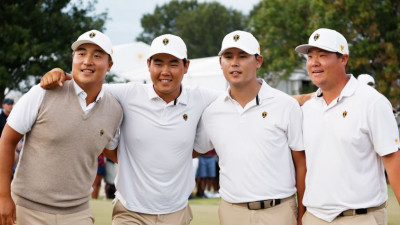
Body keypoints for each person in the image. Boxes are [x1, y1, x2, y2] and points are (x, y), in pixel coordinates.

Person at [41, 34, 221, 225]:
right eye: (158, 63)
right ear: (149, 64)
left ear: (186, 67)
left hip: (176, 212)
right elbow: (85, 86)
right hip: (130, 212)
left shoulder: (201, 97)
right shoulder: (127, 93)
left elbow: (237, 97)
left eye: (173, 64)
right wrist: (59, 73)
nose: (165, 71)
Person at [0, 30, 123, 225]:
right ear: (73, 58)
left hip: (78, 214)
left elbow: (114, 153)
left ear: (109, 65)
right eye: (81, 53)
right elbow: (7, 141)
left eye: (97, 55)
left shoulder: (115, 110)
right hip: (26, 209)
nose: (87, 61)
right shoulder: (42, 92)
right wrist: (3, 197)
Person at [199, 30, 306, 225]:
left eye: (242, 56)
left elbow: (301, 164)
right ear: (220, 62)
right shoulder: (211, 113)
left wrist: (302, 215)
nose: (234, 63)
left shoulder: (285, 105)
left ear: (258, 61)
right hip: (232, 213)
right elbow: (189, 150)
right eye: (228, 56)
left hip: (279, 211)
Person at [295, 28, 400, 225]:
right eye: (310, 57)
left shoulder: (372, 102)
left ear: (343, 59)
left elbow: (394, 162)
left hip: (360, 218)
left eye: (322, 55)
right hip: (314, 218)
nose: (314, 63)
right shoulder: (307, 109)